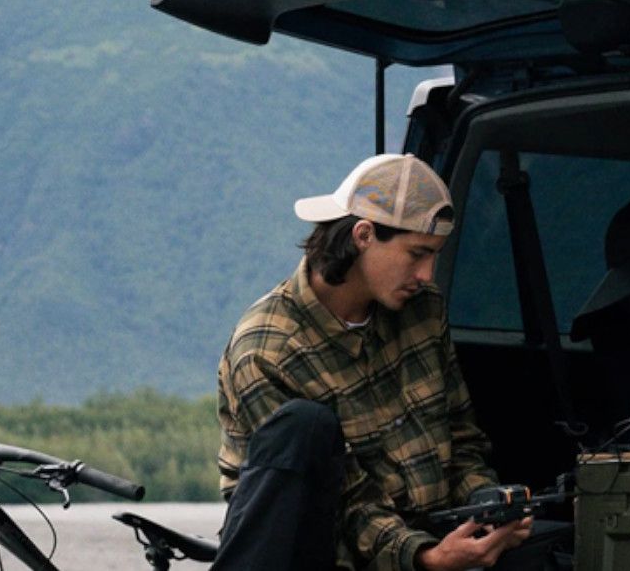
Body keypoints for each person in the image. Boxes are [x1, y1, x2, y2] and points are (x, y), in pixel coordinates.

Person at [213, 154, 532, 571]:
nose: (427, 274)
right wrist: (426, 558)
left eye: (434, 256)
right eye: (416, 254)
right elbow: (350, 505)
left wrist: (486, 507)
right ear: (363, 235)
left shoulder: (423, 309)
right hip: (332, 554)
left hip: (432, 537)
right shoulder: (267, 351)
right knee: (307, 425)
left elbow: (461, 435)